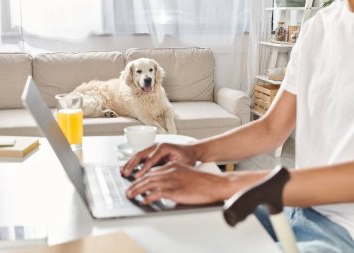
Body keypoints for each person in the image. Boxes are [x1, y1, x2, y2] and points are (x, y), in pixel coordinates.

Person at [121, 0, 354, 251]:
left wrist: (223, 183)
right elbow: (272, 129)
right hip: (297, 206)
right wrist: (193, 151)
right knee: (164, 231)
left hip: (345, 232)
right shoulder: (318, 28)